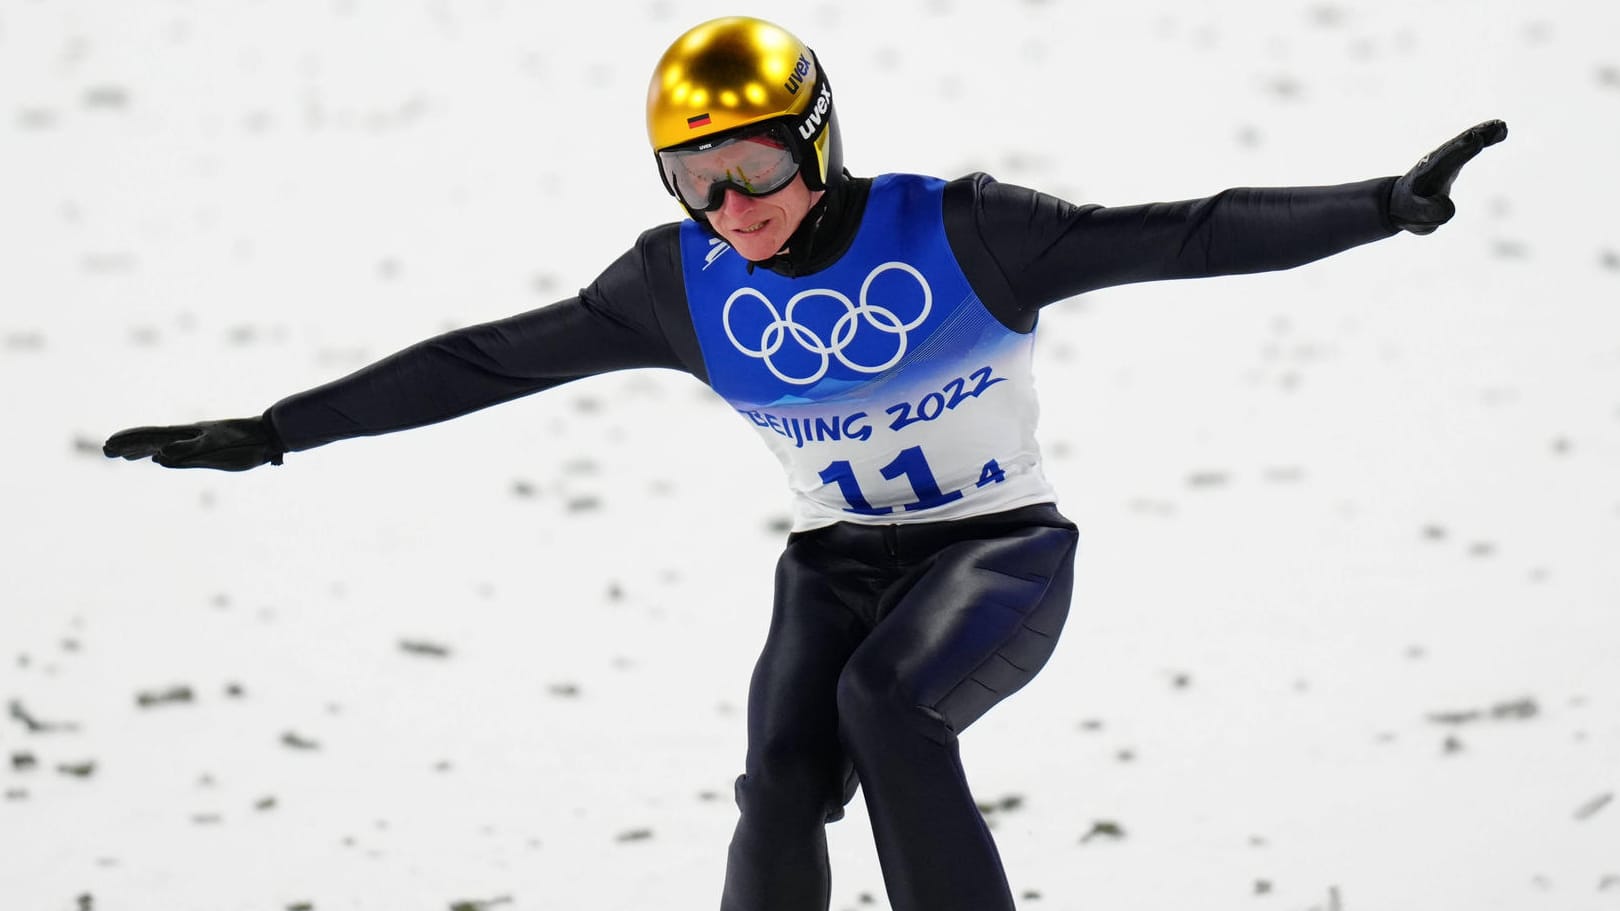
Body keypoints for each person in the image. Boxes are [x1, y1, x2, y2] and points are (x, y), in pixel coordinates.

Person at [104, 15, 1507, 911]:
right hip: (832, 566)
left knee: (890, 711)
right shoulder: (680, 286)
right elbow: (486, 359)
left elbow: (1185, 233)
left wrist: (1384, 206)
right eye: (693, 182)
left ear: (821, 145)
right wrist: (277, 431)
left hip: (998, 554)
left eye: (759, 169)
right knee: (781, 778)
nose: (733, 210)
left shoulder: (965, 233)